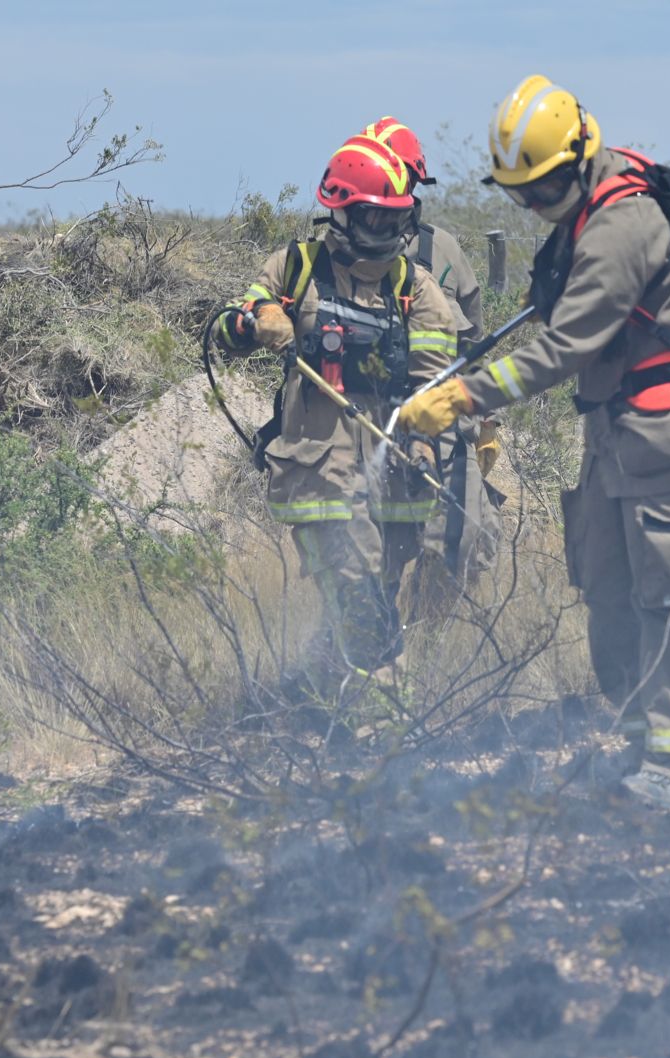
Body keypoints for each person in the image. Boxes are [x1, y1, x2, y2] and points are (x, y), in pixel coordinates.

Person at [398, 75, 670, 811]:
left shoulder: (623, 223)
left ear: (582, 158)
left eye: (541, 190)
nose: (534, 206)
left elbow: (568, 344)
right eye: (520, 196)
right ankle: (648, 749)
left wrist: (466, 394)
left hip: (669, 438)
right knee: (609, 592)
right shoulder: (583, 217)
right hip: (613, 435)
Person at [214, 132, 457, 700]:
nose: (387, 234)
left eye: (396, 221)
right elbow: (228, 323)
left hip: (396, 471)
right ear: (341, 214)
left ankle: (308, 694)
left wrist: (422, 443)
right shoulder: (295, 267)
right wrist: (259, 319)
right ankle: (383, 724)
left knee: (374, 596)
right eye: (374, 220)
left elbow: (434, 383)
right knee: (357, 590)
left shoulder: (416, 291)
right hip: (319, 470)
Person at [358, 116, 503, 602]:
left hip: (442, 431)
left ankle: (430, 648)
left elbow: (473, 342)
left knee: (458, 542)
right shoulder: (337, 255)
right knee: (373, 555)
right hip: (368, 429)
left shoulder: (440, 249)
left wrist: (483, 422)